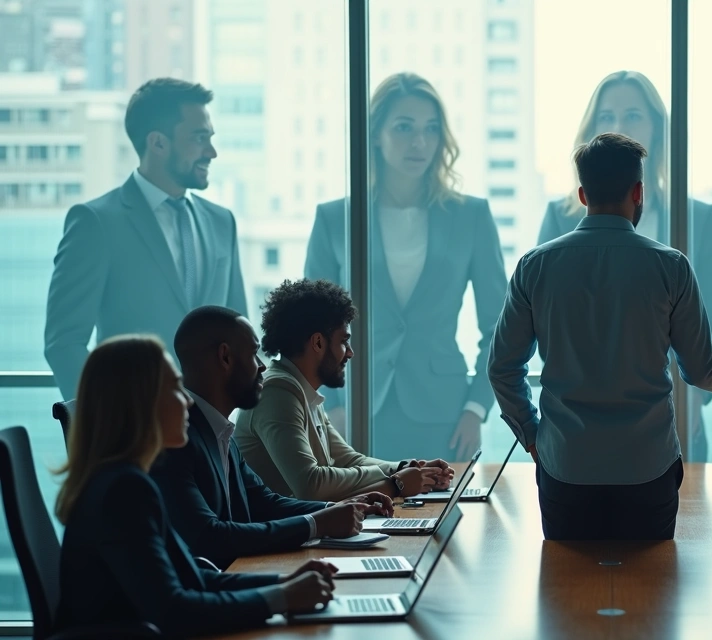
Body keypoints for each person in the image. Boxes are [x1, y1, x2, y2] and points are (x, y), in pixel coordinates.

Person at [489, 133, 712, 540]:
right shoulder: (671, 267)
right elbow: (703, 373)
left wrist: (532, 435)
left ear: (583, 195)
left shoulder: (535, 266)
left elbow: (502, 368)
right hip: (648, 468)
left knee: (565, 577)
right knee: (653, 576)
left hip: (565, 466)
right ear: (638, 192)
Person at [54, 335, 338, 637]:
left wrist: (284, 582)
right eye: (175, 388)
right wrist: (283, 598)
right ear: (143, 404)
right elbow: (175, 611)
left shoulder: (125, 480)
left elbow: (193, 578)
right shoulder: (125, 490)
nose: (188, 400)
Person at [305, 72, 507, 461]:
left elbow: (499, 326)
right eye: (404, 127)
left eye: (431, 129)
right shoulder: (334, 218)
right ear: (375, 135)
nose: (419, 142)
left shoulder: (471, 216)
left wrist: (476, 408)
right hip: (357, 408)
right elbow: (311, 323)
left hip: (445, 416)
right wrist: (331, 405)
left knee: (444, 502)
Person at [536, 70, 712, 462]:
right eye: (607, 117)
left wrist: (694, 396)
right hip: (579, 424)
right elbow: (546, 322)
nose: (619, 126)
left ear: (657, 129)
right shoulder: (560, 216)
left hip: (675, 419)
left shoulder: (698, 218)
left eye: (633, 116)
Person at [44, 78, 247, 402]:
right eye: (199, 138)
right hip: (130, 424)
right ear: (158, 143)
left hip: (213, 425)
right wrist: (103, 421)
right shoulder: (95, 223)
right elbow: (63, 342)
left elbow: (240, 334)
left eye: (210, 138)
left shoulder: (222, 222)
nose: (212, 152)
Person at [152, 305, 395, 569]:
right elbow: (209, 537)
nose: (262, 366)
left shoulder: (219, 431)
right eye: (253, 353)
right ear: (225, 357)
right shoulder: (176, 440)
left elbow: (263, 502)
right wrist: (316, 524)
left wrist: (338, 507)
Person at [235, 279, 452, 502]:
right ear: (318, 343)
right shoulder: (277, 393)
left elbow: (348, 460)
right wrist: (396, 483)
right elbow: (311, 485)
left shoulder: (302, 391)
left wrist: (407, 468)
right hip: (278, 525)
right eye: (343, 341)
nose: (350, 352)